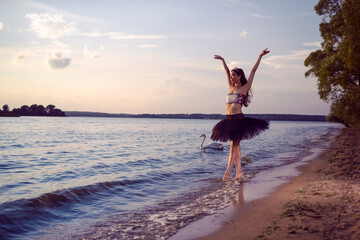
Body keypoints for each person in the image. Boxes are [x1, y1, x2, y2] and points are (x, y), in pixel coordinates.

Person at [211, 48, 270, 181]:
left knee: (233, 146)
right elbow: (226, 71)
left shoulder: (244, 88)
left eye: (233, 75)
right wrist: (223, 60)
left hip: (238, 121)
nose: (231, 77)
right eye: (231, 76)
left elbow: (254, 71)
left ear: (239, 76)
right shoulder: (230, 87)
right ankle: (239, 172)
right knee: (236, 147)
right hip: (228, 120)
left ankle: (226, 174)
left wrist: (260, 56)